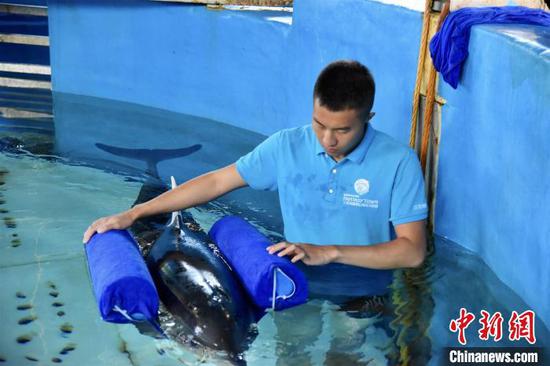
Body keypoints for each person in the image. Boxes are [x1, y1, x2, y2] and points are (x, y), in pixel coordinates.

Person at [83, 60, 427, 273]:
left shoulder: (398, 162)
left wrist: (331, 253)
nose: (327, 140)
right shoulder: (287, 145)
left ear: (369, 118)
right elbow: (217, 181)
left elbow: (412, 252)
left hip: (361, 294)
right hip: (291, 278)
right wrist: (136, 213)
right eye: (319, 124)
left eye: (342, 130)